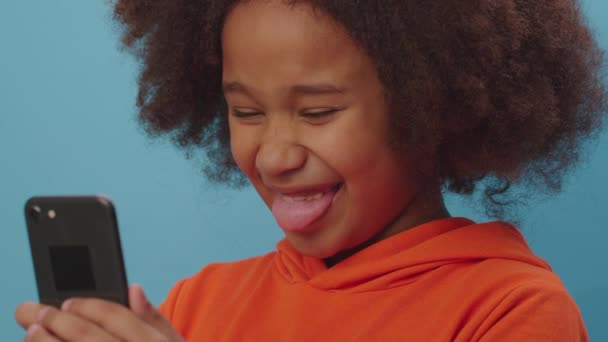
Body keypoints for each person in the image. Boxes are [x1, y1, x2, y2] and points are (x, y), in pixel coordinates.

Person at [15, 0, 606, 340]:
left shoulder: (511, 311)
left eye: (317, 111)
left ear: (435, 106)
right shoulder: (196, 306)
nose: (274, 156)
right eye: (245, 111)